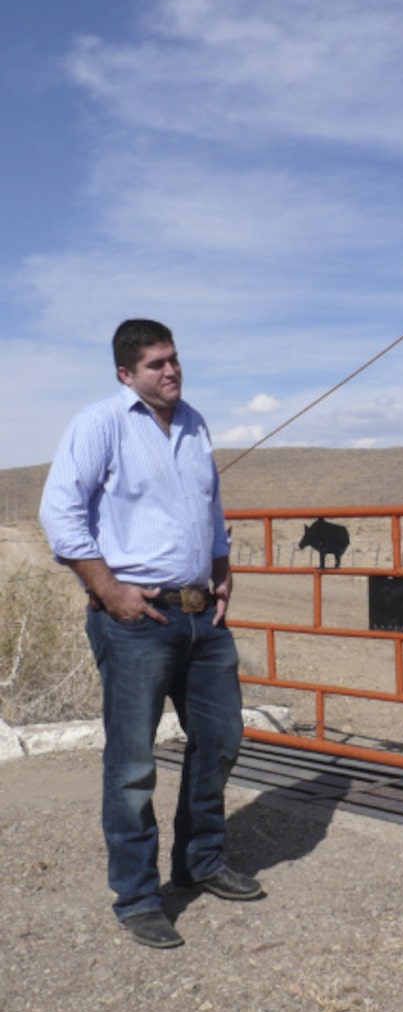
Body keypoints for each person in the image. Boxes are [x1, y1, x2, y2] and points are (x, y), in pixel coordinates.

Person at [39, 318, 264, 950]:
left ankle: (202, 860)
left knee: (220, 740)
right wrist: (108, 589)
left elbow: (209, 508)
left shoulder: (195, 424)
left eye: (174, 360)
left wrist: (222, 573)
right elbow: (58, 513)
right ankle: (137, 896)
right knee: (134, 763)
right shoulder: (100, 423)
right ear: (126, 374)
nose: (171, 371)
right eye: (156, 364)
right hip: (137, 620)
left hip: (203, 617)